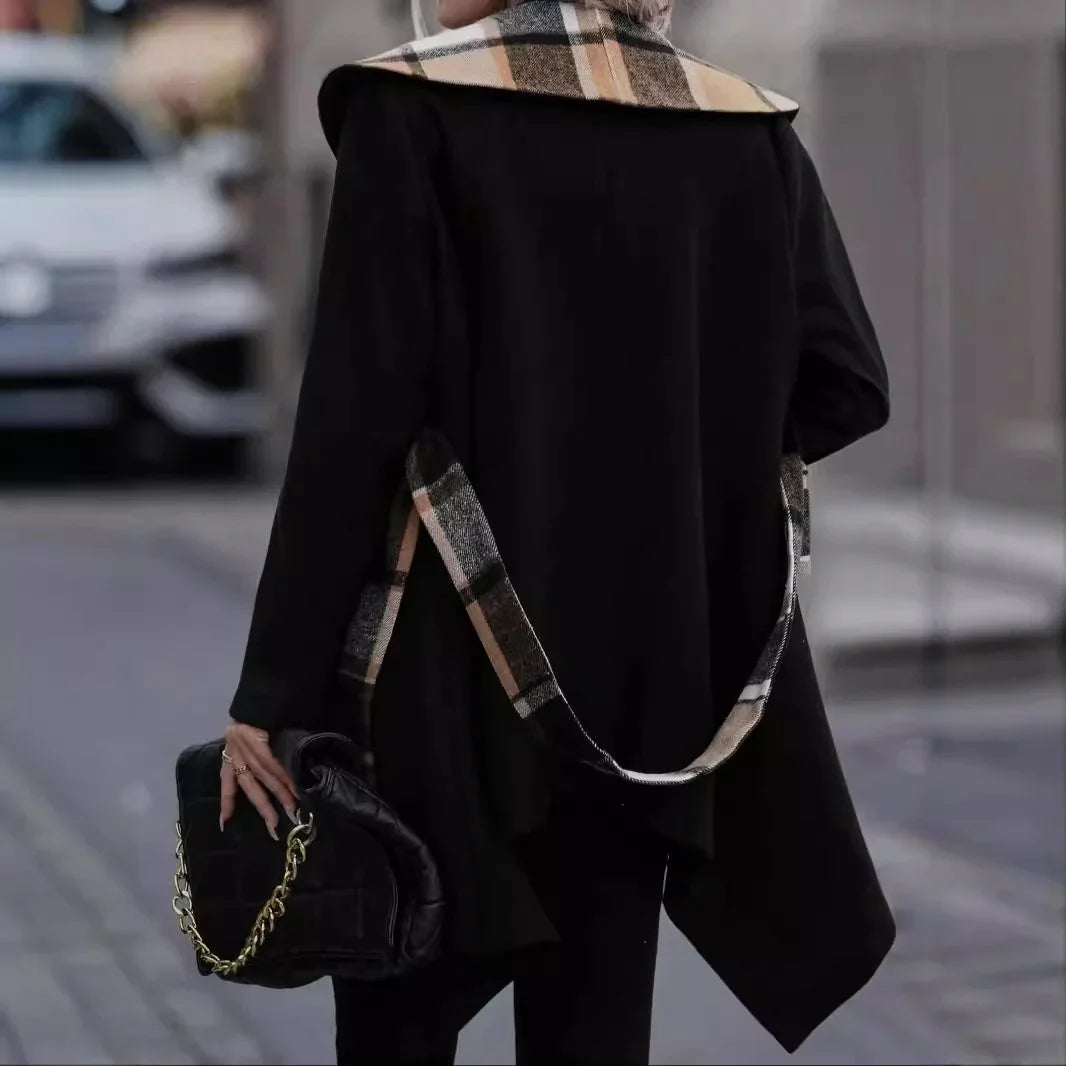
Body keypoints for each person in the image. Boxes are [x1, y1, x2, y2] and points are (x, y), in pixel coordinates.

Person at [219, 1, 895, 1063]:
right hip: (644, 677)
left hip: (444, 666)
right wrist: (673, 478)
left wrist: (273, 695)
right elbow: (845, 384)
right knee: (596, 1020)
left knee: (400, 1003)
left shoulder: (413, 109)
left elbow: (354, 425)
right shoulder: (739, 127)